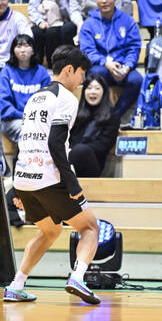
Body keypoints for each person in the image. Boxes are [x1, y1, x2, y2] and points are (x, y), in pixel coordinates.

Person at [4, 45, 101, 305]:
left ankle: (16, 285)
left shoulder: (36, 97)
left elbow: (26, 141)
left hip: (24, 177)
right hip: (49, 177)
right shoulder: (67, 98)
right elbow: (56, 143)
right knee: (91, 228)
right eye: (81, 73)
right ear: (69, 70)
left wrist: (16, 188)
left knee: (50, 231)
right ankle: (78, 277)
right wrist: (72, 184)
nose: (82, 80)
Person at [79, 0, 142, 117]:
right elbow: (87, 51)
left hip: (122, 68)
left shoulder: (128, 21)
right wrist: (106, 63)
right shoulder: (89, 24)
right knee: (96, 74)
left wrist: (127, 67)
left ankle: (114, 117)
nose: (104, 1)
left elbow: (134, 48)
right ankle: (98, 116)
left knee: (136, 79)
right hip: (101, 67)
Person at [0, 34, 51, 145]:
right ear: (13, 50)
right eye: (18, 46)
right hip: (13, 120)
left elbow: (48, 100)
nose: (22, 50)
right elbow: (4, 104)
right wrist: (24, 116)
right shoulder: (6, 72)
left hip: (37, 119)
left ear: (33, 50)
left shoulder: (41, 72)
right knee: (31, 133)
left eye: (26, 45)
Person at [69, 74, 120, 177]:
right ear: (84, 92)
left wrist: (73, 150)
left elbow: (102, 146)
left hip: (92, 163)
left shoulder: (112, 117)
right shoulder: (76, 113)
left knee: (80, 150)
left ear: (104, 92)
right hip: (70, 158)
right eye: (89, 88)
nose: (93, 92)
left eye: (97, 88)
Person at [28, 0, 77, 68]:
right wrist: (39, 21)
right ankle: (36, 66)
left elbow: (71, 13)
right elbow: (32, 7)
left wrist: (59, 2)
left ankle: (52, 66)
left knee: (53, 32)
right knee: (36, 32)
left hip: (62, 21)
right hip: (43, 20)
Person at [0, 0, 33, 70]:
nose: (0, 3)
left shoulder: (18, 18)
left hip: (11, 64)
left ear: (9, 0)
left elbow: (28, 39)